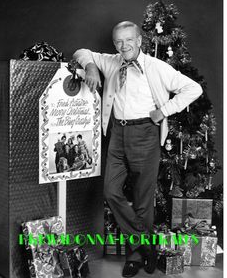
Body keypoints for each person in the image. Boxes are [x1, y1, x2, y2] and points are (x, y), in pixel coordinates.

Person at [73, 21, 202, 277]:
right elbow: (81, 52)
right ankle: (146, 244)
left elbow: (193, 88)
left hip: (145, 133)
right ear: (114, 44)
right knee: (111, 191)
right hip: (118, 133)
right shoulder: (111, 61)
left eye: (129, 40)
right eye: (119, 41)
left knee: (143, 199)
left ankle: (134, 256)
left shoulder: (156, 67)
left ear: (140, 41)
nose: (124, 46)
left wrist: (163, 111)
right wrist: (90, 66)